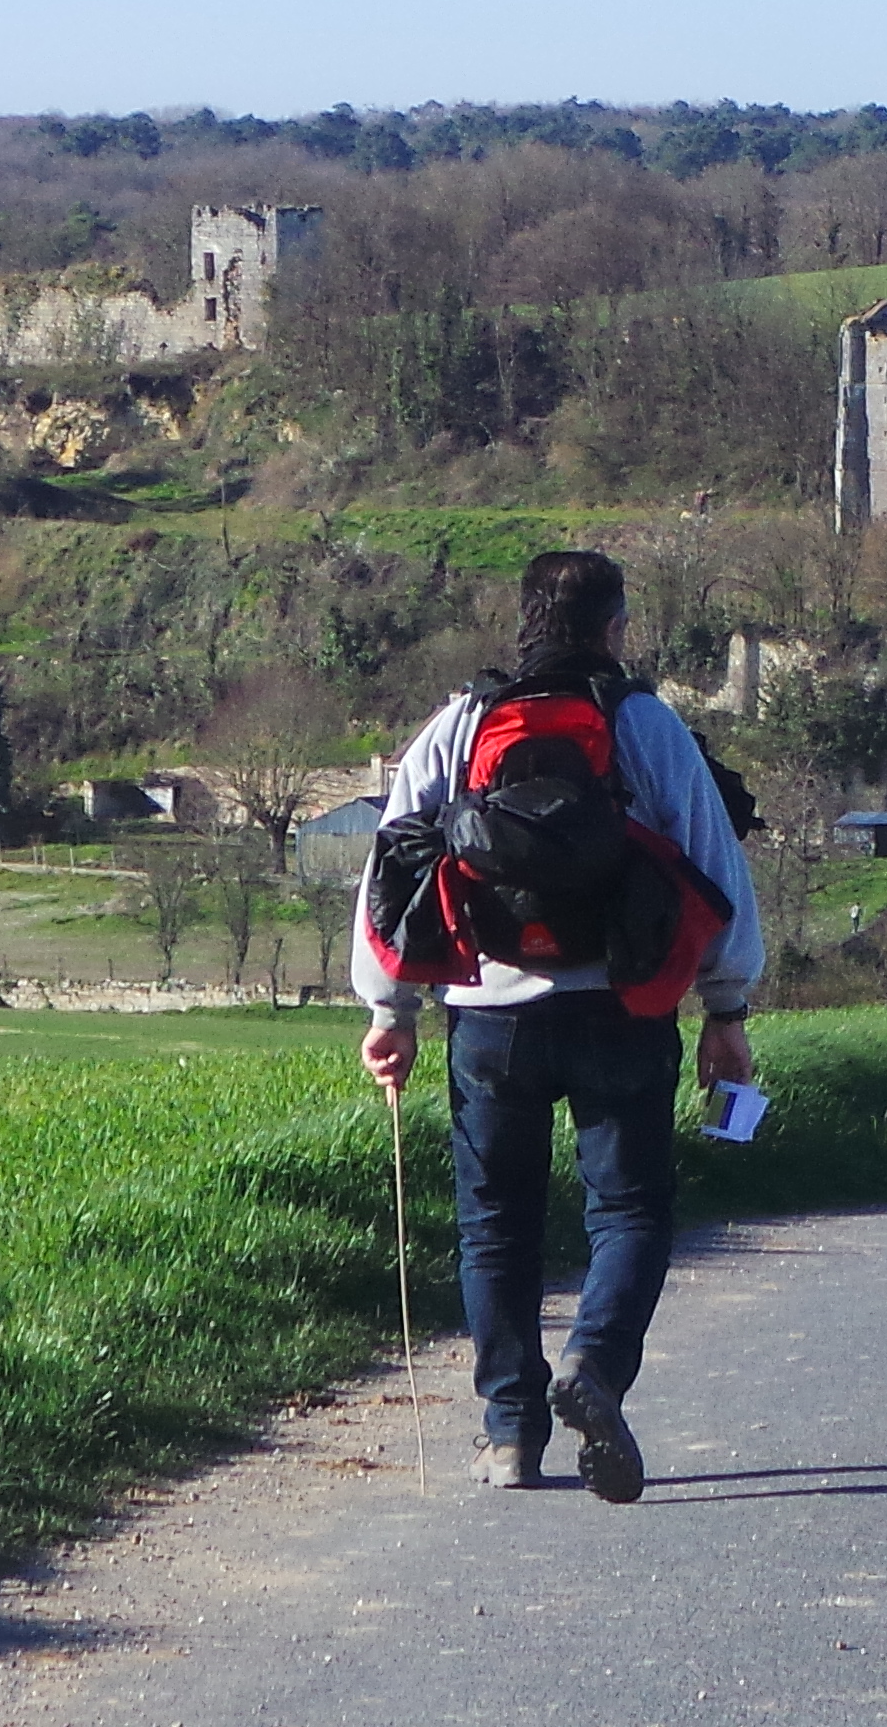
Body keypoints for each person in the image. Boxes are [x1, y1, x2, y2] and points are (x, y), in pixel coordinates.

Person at [354, 550, 761, 1500]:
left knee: (495, 1226)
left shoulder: (460, 726)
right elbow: (714, 868)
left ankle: (509, 1435)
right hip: (623, 1005)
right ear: (615, 628)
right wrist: (726, 1008)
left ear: (523, 621)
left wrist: (390, 1007)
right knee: (629, 1209)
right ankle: (595, 1368)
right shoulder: (643, 725)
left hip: (489, 1016)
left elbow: (394, 864)